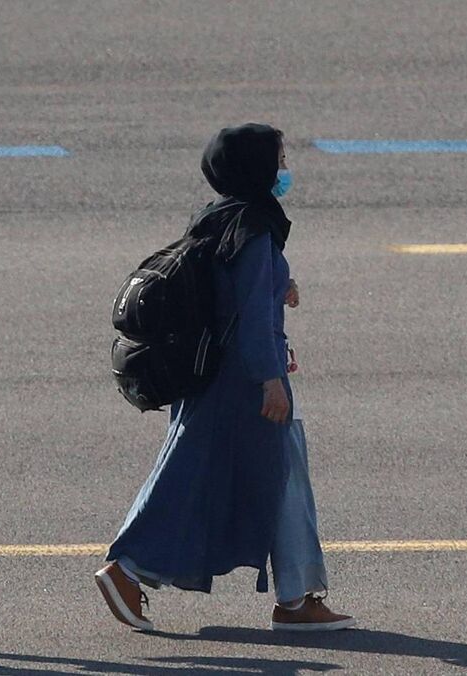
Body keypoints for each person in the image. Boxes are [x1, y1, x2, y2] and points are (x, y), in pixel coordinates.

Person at [95, 123, 354, 632]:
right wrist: (270, 379)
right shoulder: (255, 227)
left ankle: (297, 597)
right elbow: (252, 314)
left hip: (214, 372)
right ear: (256, 167)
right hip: (243, 380)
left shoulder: (219, 217)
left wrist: (282, 285)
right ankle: (126, 568)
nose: (284, 169)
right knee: (192, 473)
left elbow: (229, 293)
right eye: (279, 159)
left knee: (275, 474)